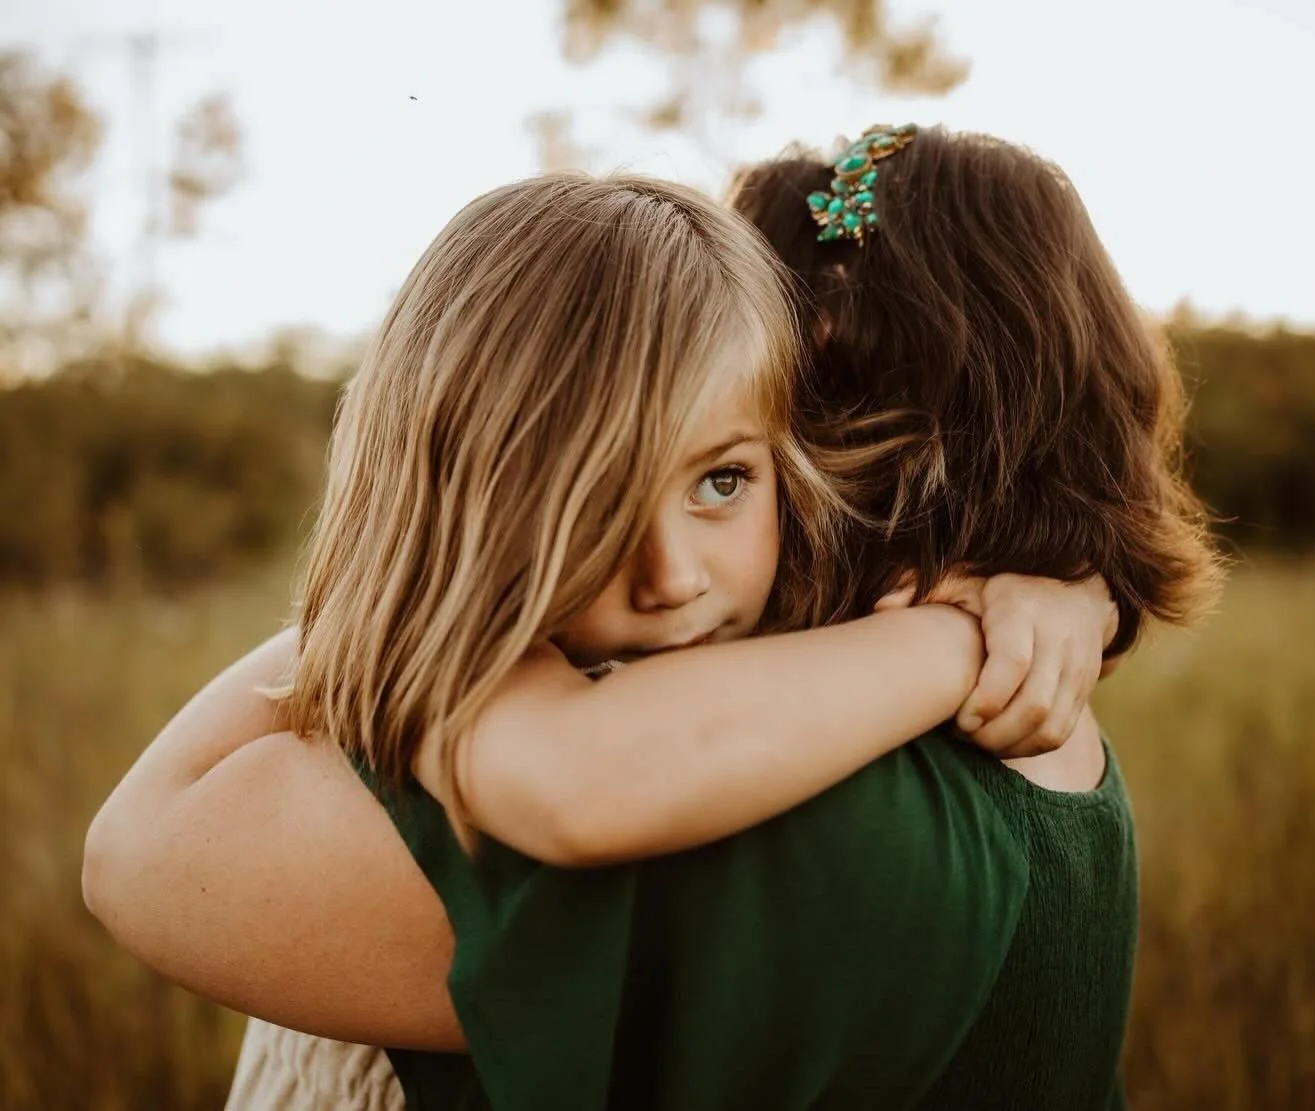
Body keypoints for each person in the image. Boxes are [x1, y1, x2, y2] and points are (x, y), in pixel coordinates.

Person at [86, 126, 1220, 1109]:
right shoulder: (1045, 748)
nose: (670, 570)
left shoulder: (754, 817)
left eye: (731, 466)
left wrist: (433, 589)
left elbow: (152, 847)